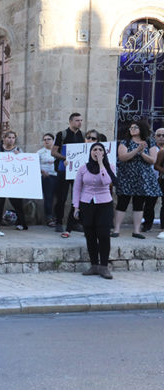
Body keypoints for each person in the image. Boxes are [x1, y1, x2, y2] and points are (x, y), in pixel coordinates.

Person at [73, 143, 116, 279]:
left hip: (104, 204)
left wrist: (101, 164)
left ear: (104, 153)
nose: (97, 152)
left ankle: (104, 266)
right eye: (94, 149)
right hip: (87, 204)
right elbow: (77, 188)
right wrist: (76, 206)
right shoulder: (83, 169)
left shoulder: (110, 167)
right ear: (90, 152)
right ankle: (94, 265)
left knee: (103, 234)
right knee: (90, 235)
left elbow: (106, 181)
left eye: (100, 150)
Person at [112, 120, 160, 239]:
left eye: (135, 127)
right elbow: (123, 157)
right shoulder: (125, 142)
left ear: (142, 129)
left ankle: (136, 231)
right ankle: (116, 229)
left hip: (142, 177)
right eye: (131, 127)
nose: (132, 129)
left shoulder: (150, 142)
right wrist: (137, 150)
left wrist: (142, 153)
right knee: (122, 203)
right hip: (126, 176)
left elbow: (153, 160)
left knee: (139, 204)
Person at [52, 112, 84, 237]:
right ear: (70, 121)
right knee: (61, 198)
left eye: (81, 120)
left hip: (77, 172)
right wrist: (66, 158)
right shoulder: (62, 134)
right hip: (64, 171)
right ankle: (59, 222)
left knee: (76, 198)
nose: (79, 122)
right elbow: (54, 152)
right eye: (77, 120)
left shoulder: (82, 135)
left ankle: (74, 222)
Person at [1, 130, 28, 230]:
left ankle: (21, 223)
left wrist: (19, 157)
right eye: (9, 137)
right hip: (1, 180)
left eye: (13, 138)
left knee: (17, 203)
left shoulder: (18, 150)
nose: (11, 140)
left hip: (13, 181)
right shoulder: (0, 149)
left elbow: (24, 164)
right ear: (4, 139)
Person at [38, 132, 58, 226]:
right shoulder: (40, 152)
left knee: (59, 198)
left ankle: (57, 217)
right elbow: (34, 165)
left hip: (58, 176)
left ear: (53, 140)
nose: (46, 141)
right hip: (47, 177)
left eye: (49, 139)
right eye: (45, 139)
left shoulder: (58, 151)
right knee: (48, 197)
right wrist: (42, 171)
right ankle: (49, 217)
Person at [152, 128, 164, 239]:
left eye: (163, 135)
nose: (161, 137)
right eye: (159, 135)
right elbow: (157, 165)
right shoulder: (159, 151)